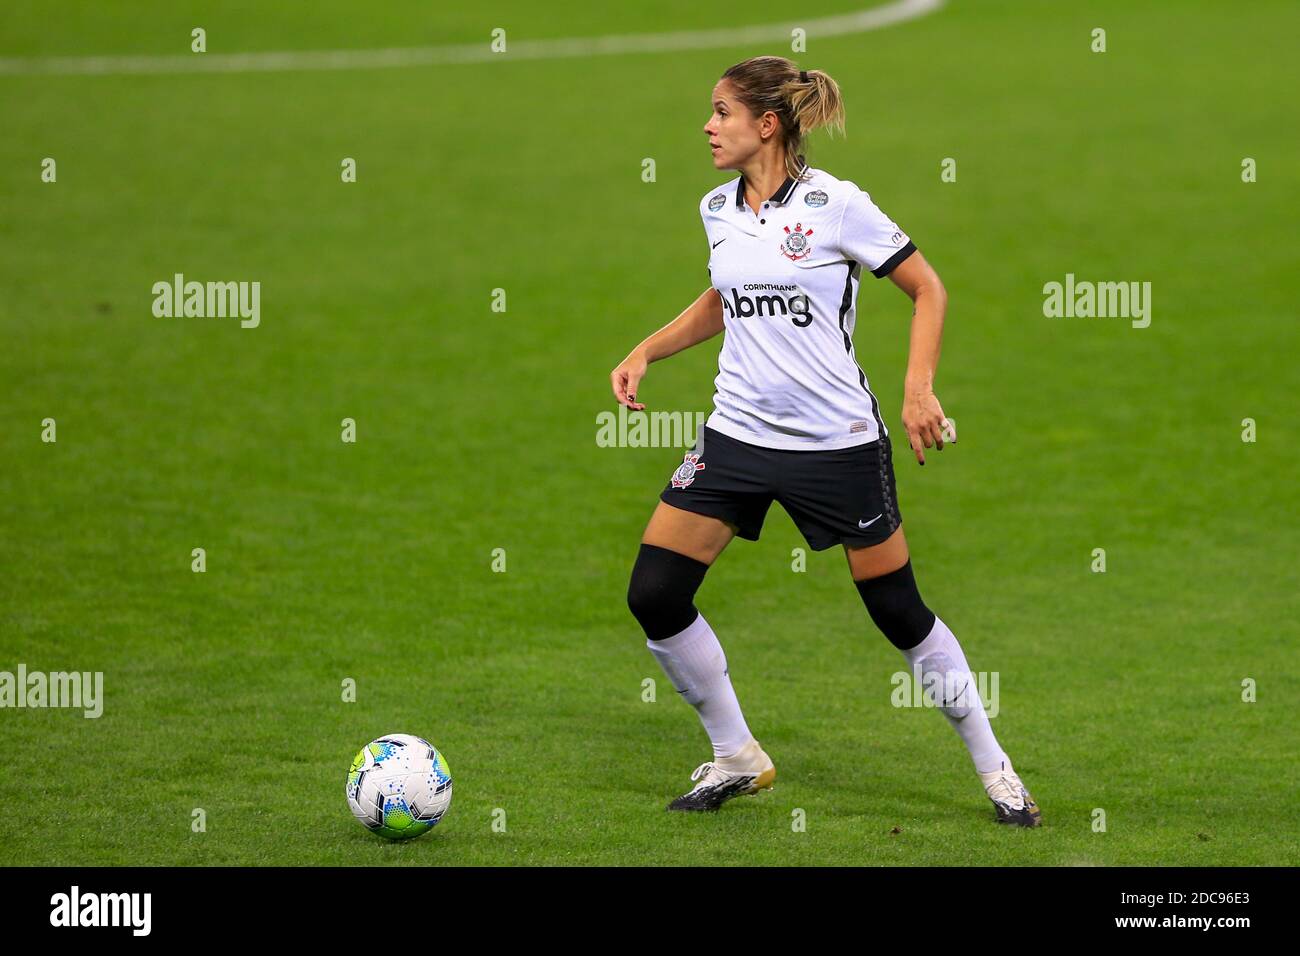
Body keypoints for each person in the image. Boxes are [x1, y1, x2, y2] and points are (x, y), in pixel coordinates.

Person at [610, 56, 1040, 826]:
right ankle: (738, 754)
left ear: (766, 124)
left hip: (836, 445)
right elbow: (727, 296)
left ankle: (995, 767)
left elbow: (926, 287)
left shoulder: (837, 206)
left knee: (896, 610)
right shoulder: (717, 206)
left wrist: (917, 390)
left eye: (722, 113)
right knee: (655, 592)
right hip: (736, 435)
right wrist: (649, 347)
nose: (707, 127)